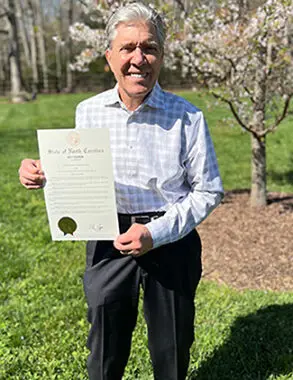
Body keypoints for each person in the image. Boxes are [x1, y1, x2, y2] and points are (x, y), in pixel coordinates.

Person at [18, 3, 223, 379]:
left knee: (172, 346)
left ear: (161, 56)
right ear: (109, 56)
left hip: (170, 240)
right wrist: (42, 172)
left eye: (149, 48)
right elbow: (78, 171)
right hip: (105, 235)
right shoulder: (88, 112)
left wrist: (155, 233)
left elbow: (208, 190)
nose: (138, 59)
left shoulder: (188, 117)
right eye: (128, 48)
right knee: (105, 346)